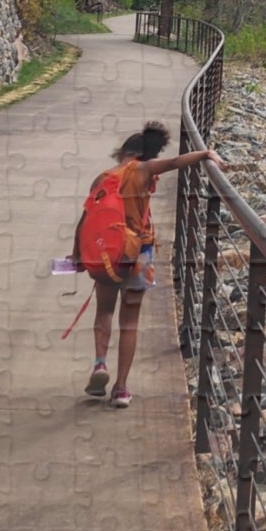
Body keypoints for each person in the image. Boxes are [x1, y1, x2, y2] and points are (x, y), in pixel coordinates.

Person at [82, 120, 217, 408]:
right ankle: (121, 388)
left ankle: (100, 363)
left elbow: (86, 220)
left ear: (124, 152)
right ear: (145, 155)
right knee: (129, 324)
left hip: (106, 256)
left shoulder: (102, 178)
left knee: (104, 312)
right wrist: (206, 153)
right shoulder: (144, 170)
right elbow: (177, 162)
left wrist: (77, 256)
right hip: (139, 256)